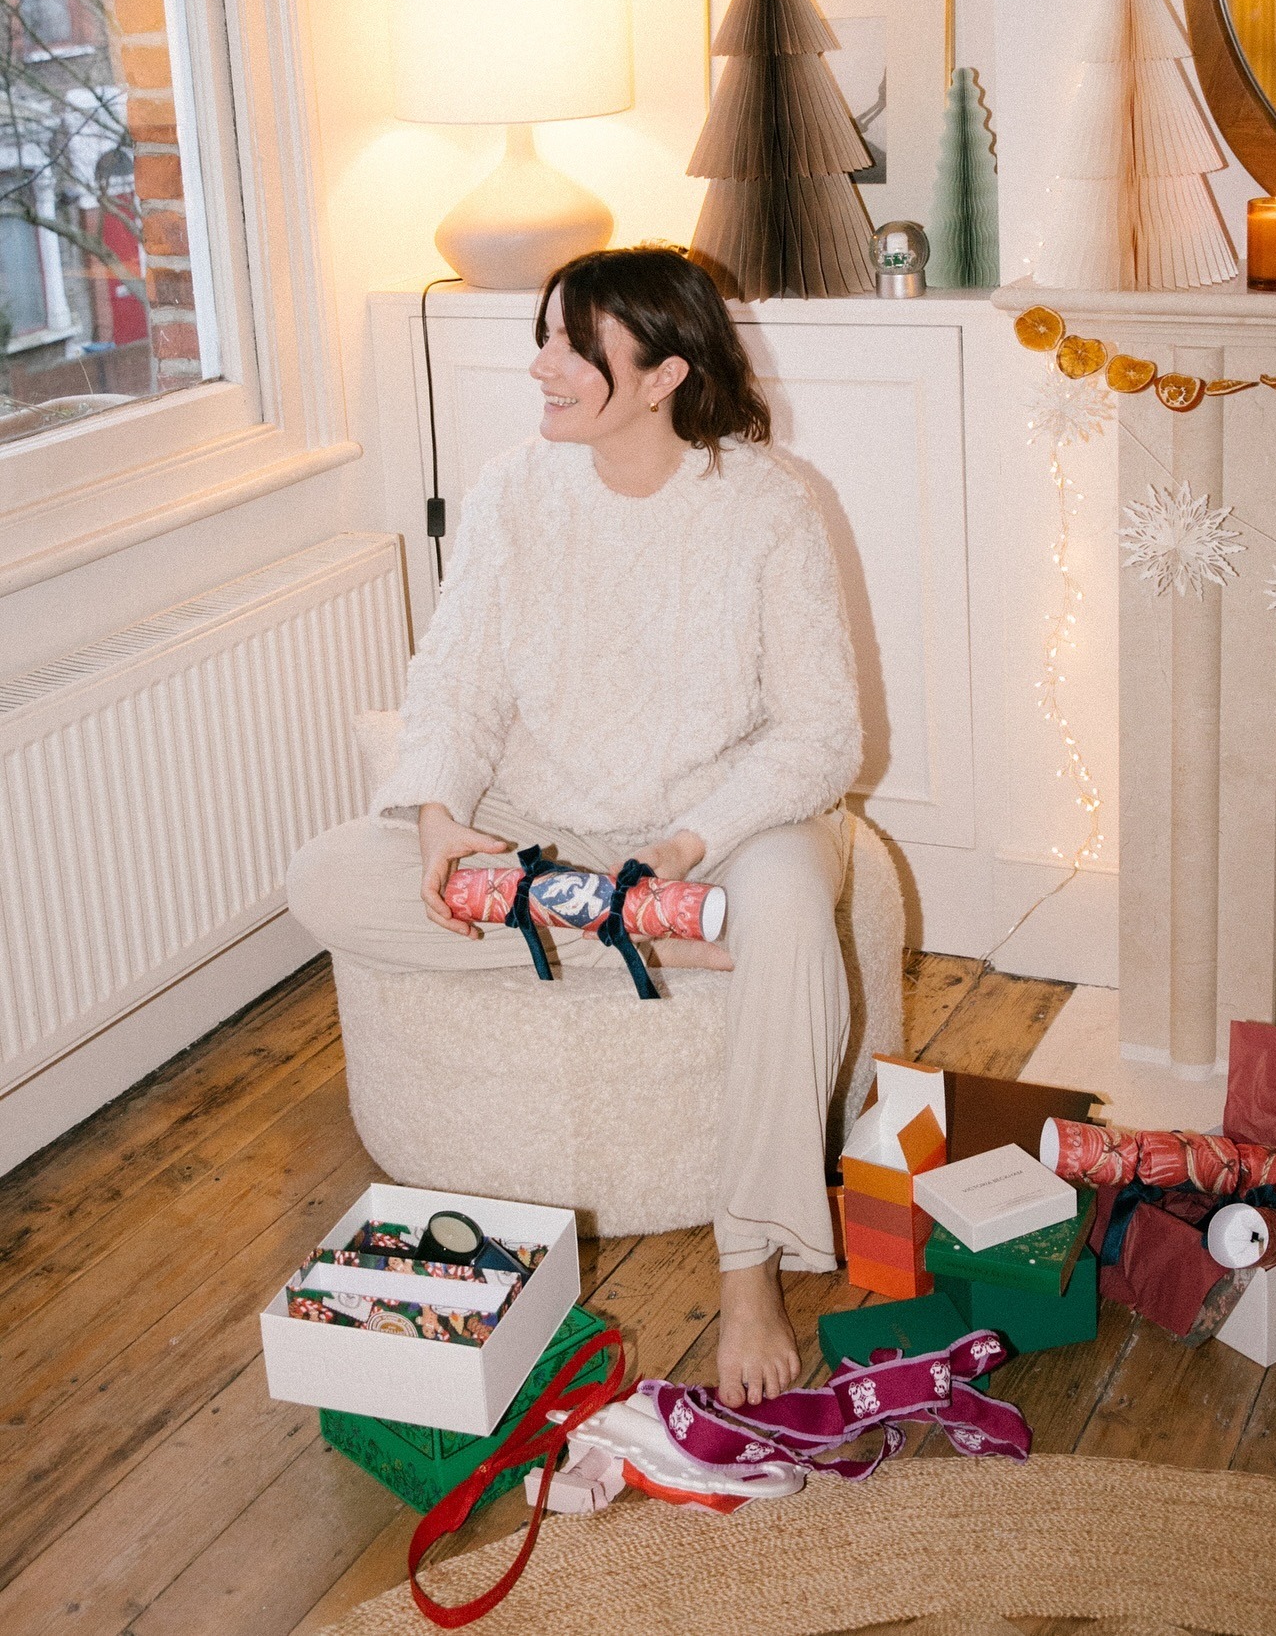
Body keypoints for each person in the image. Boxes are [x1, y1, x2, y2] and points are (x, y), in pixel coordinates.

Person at [287, 245, 863, 1409]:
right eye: (543, 336)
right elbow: (457, 681)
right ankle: (645, 934)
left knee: (795, 918)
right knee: (328, 875)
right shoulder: (513, 489)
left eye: (572, 343)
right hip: (547, 824)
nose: (540, 364)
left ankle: (749, 1260)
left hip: (722, 822)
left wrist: (691, 842)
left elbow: (822, 735)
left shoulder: (769, 503)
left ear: (664, 374)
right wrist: (442, 823)